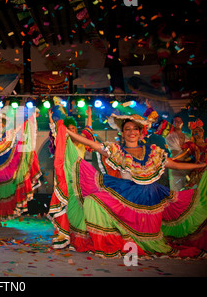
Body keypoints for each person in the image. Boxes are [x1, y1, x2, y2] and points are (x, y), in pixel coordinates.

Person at [48, 111, 207, 258]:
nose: (132, 132)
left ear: (141, 132)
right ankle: (116, 239)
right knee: (92, 201)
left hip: (151, 199)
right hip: (126, 196)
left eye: (135, 129)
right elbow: (96, 146)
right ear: (122, 133)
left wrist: (200, 166)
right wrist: (67, 133)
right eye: (128, 129)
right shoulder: (118, 151)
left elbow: (176, 165)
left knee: (160, 234)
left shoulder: (152, 153)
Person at [150, 99, 190, 190]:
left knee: (189, 188)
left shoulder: (188, 135)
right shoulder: (168, 134)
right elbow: (157, 123)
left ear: (183, 123)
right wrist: (151, 109)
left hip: (188, 164)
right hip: (175, 164)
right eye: (175, 121)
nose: (178, 123)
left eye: (179, 121)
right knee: (176, 189)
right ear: (172, 123)